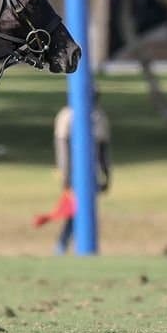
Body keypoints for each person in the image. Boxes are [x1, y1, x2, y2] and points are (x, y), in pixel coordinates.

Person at [35, 92, 112, 253]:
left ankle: (64, 245)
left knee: (80, 211)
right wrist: (67, 176)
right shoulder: (70, 116)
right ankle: (62, 245)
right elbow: (63, 147)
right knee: (77, 210)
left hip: (90, 173)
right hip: (76, 175)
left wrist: (105, 174)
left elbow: (103, 148)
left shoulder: (97, 116)